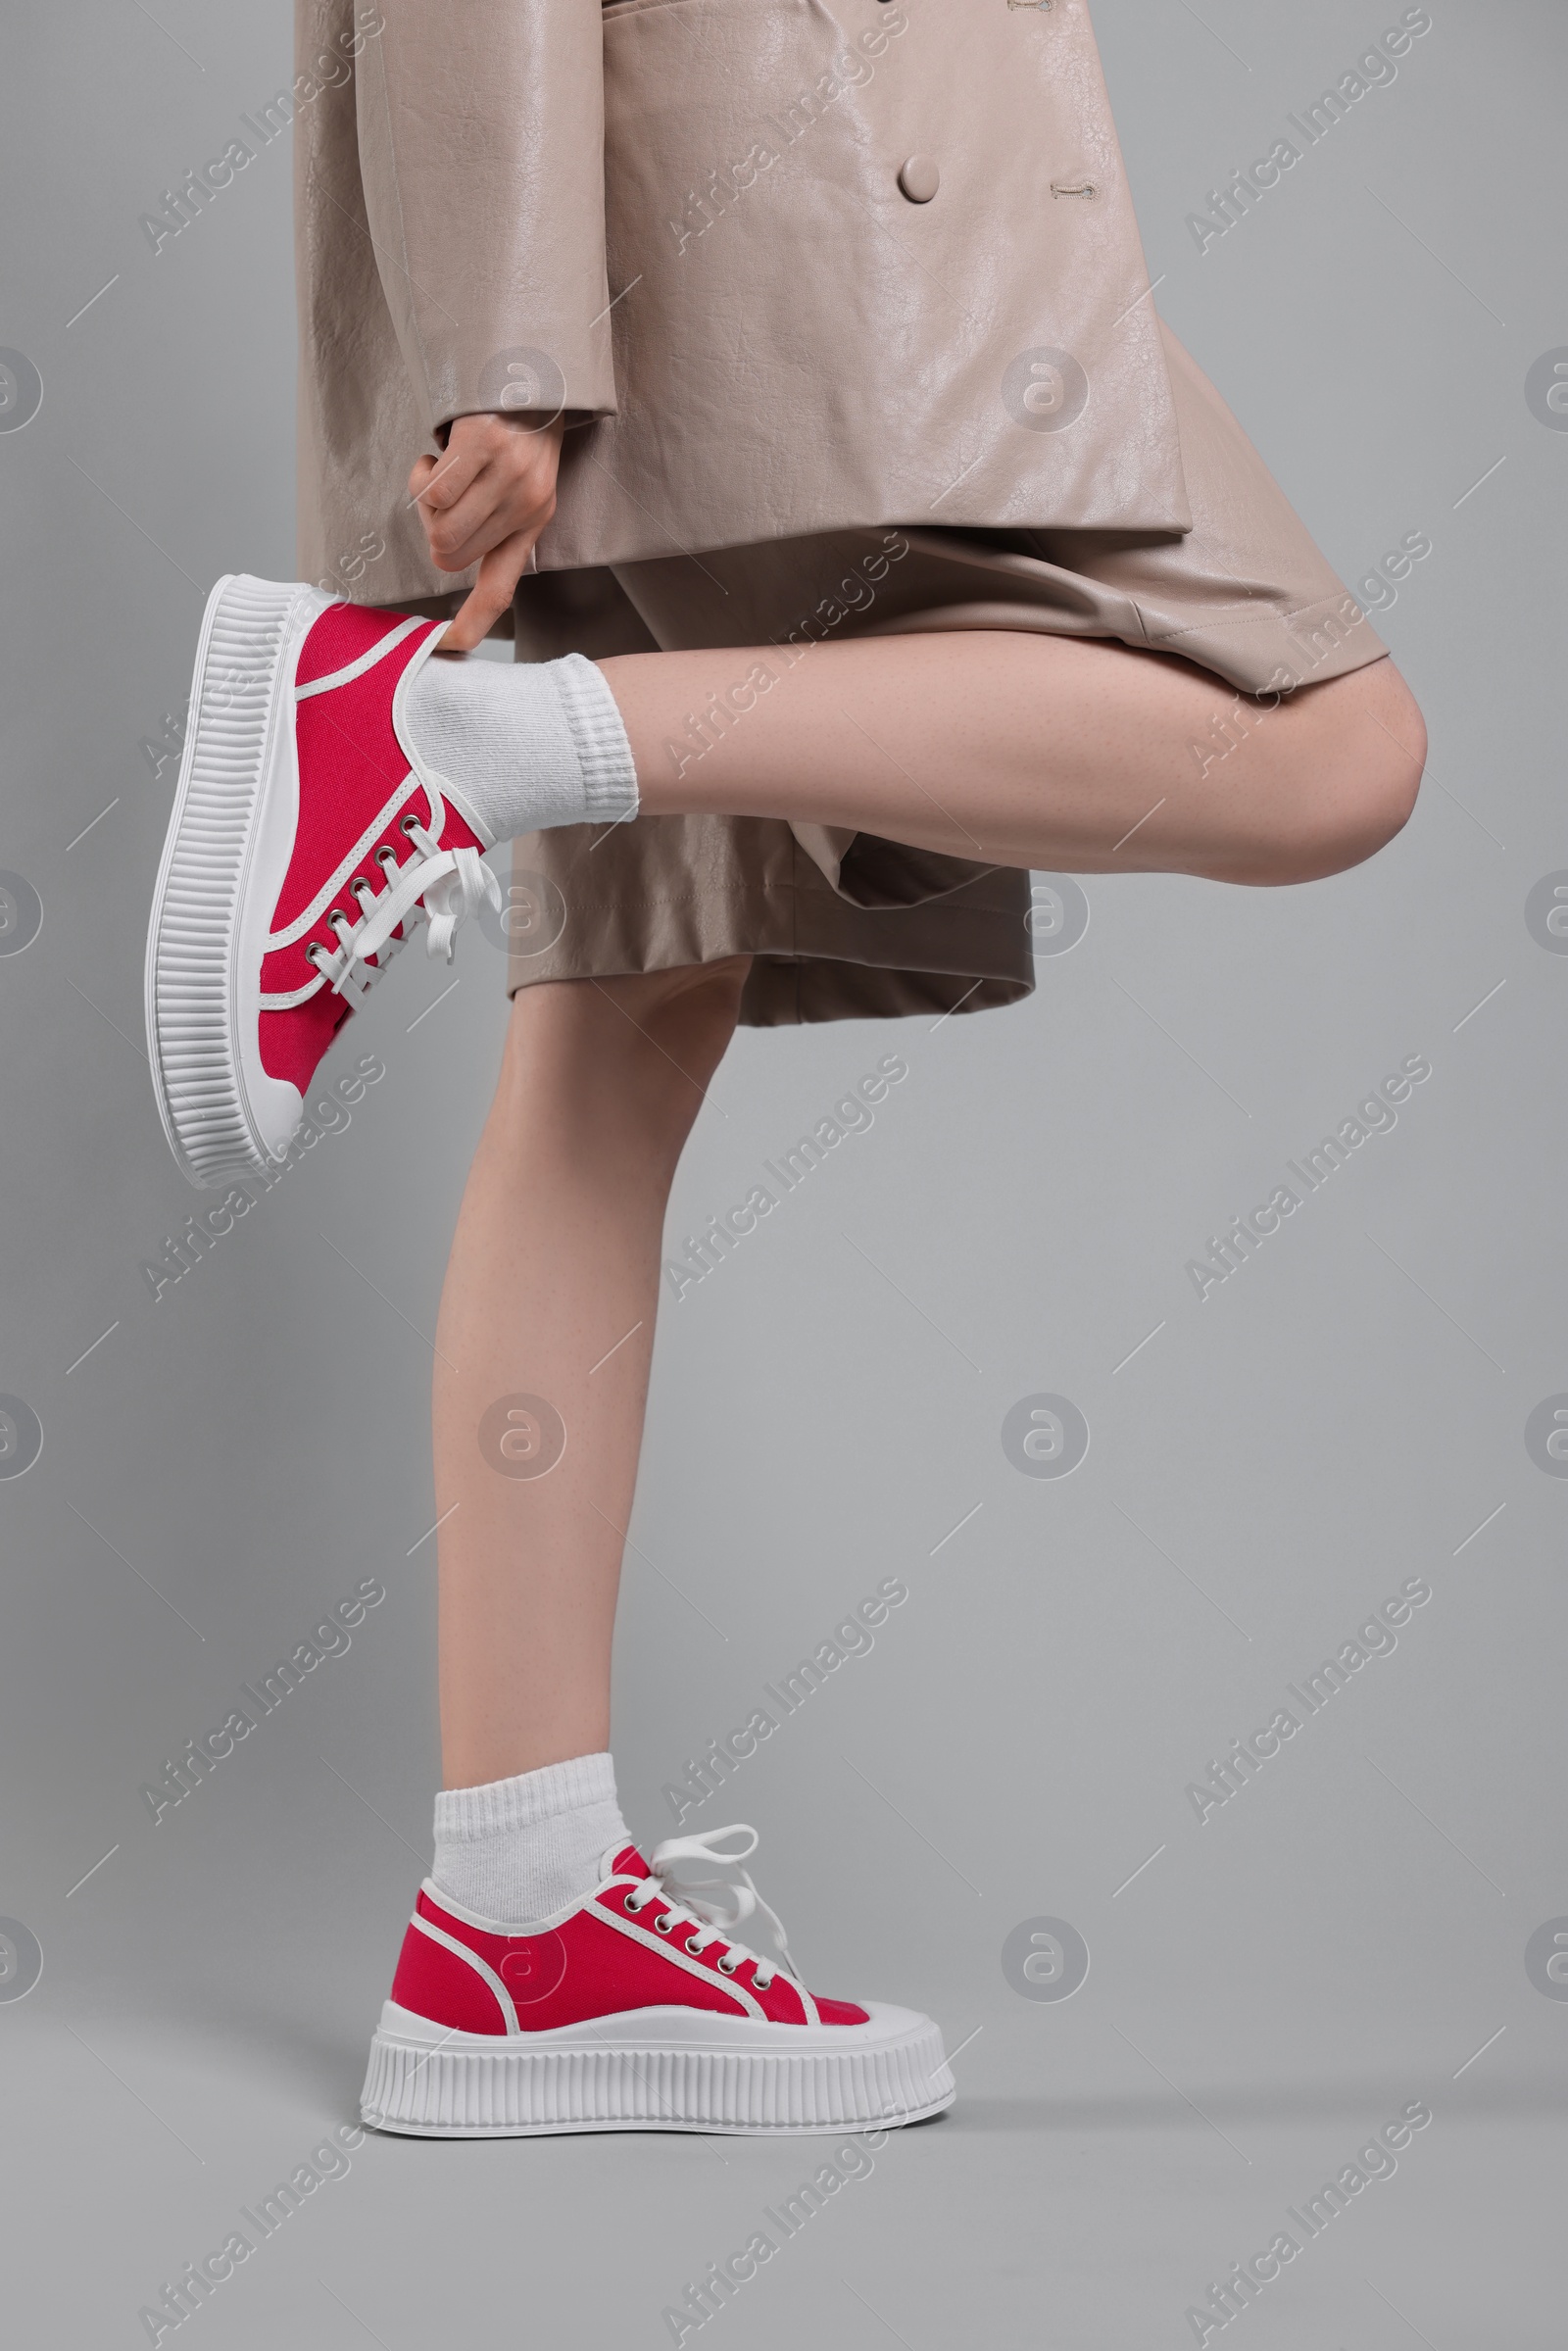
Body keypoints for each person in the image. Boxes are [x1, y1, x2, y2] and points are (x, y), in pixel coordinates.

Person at [143, 0, 1425, 2136]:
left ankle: (518, 1919)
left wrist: (506, 314)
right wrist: (500, 340)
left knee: (636, 1004)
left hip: (673, 188)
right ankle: (447, 741)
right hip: (781, 172)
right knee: (1325, 743)